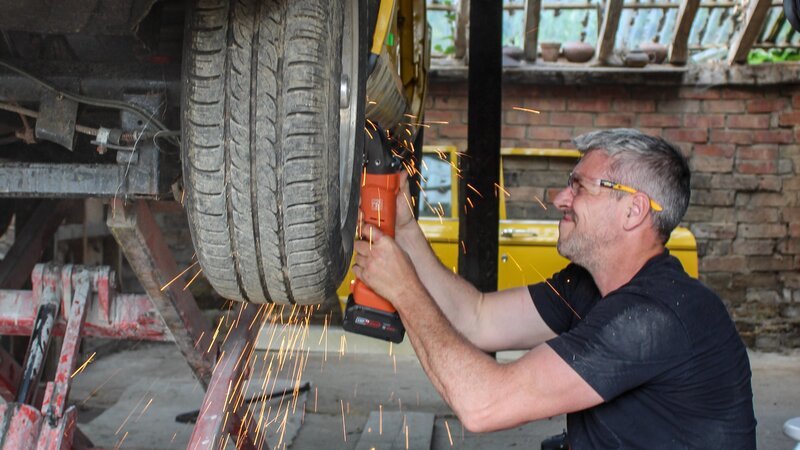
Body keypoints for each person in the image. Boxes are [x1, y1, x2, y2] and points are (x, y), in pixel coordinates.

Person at [352, 128, 756, 449]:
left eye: (580, 187)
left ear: (633, 211)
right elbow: (476, 317)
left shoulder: (651, 319)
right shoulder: (591, 284)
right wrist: (406, 230)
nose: (560, 198)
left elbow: (483, 405)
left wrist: (404, 290)